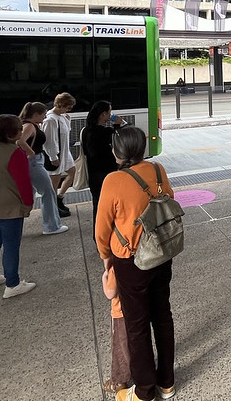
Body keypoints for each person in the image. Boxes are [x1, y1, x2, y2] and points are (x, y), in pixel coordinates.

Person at [95, 126, 176, 401]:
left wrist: (107, 259)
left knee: (137, 324)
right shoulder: (157, 170)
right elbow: (170, 201)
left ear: (117, 151)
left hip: (131, 261)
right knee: (162, 315)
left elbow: (102, 230)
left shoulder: (113, 181)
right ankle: (166, 383)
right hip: (161, 254)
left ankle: (143, 391)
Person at [0, 114, 36, 299]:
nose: (22, 131)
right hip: (9, 206)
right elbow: (24, 183)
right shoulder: (15, 153)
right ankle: (13, 283)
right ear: (11, 133)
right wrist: (28, 204)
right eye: (19, 129)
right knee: (11, 245)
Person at [17, 102, 69, 232]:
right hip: (34, 162)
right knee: (48, 192)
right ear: (35, 115)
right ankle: (51, 226)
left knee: (29, 195)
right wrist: (31, 152)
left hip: (34, 162)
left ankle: (14, 224)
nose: (45, 116)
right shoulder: (29, 126)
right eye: (43, 114)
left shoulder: (31, 125)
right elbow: (20, 141)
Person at [82, 100, 124, 240]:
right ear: (103, 114)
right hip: (107, 174)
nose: (110, 115)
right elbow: (121, 141)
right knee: (110, 207)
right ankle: (108, 235)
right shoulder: (105, 132)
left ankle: (98, 236)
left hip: (93, 175)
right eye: (109, 112)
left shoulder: (86, 131)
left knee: (98, 206)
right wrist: (118, 124)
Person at [42, 92, 76, 215]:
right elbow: (49, 140)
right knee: (54, 183)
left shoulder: (61, 116)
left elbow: (66, 132)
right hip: (57, 155)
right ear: (61, 105)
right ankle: (54, 207)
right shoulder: (50, 120)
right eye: (68, 107)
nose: (69, 110)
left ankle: (59, 198)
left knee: (72, 172)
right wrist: (53, 157)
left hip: (64, 153)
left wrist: (68, 120)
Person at [101, 266, 131, 394]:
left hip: (120, 314)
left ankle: (119, 381)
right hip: (134, 311)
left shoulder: (115, 268)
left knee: (120, 347)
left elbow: (110, 293)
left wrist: (104, 278)